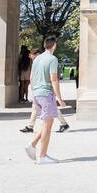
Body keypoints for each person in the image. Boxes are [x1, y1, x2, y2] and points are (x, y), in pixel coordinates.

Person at [27, 36, 66, 164]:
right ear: (54, 45)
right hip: (46, 93)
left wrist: (33, 92)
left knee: (45, 124)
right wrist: (59, 98)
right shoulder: (52, 59)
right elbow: (54, 79)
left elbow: (31, 77)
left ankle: (32, 145)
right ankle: (42, 156)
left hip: (37, 93)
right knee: (48, 126)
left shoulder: (37, 58)